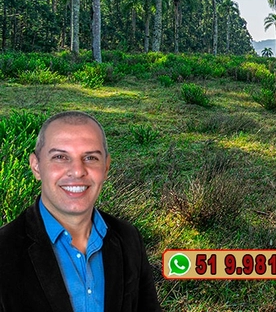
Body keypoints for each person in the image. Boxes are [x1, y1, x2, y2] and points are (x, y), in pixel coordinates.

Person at [0, 111, 161, 312]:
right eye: (60, 157)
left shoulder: (129, 238)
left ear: (106, 168)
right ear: (36, 166)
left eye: (91, 157)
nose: (77, 171)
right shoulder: (4, 249)